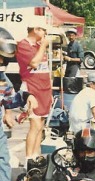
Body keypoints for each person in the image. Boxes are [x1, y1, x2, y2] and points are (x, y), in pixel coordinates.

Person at [0, 27, 38, 181]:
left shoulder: (1, 77)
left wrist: (26, 97)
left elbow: (9, 97)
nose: (2, 63)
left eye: (4, 59)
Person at [16, 23, 53, 161]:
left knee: (41, 126)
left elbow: (45, 68)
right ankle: (28, 158)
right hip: (32, 88)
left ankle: (36, 156)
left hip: (44, 89)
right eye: (43, 29)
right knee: (35, 124)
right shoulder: (23, 45)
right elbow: (34, 63)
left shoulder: (38, 45)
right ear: (36, 29)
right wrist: (43, 46)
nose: (45, 33)